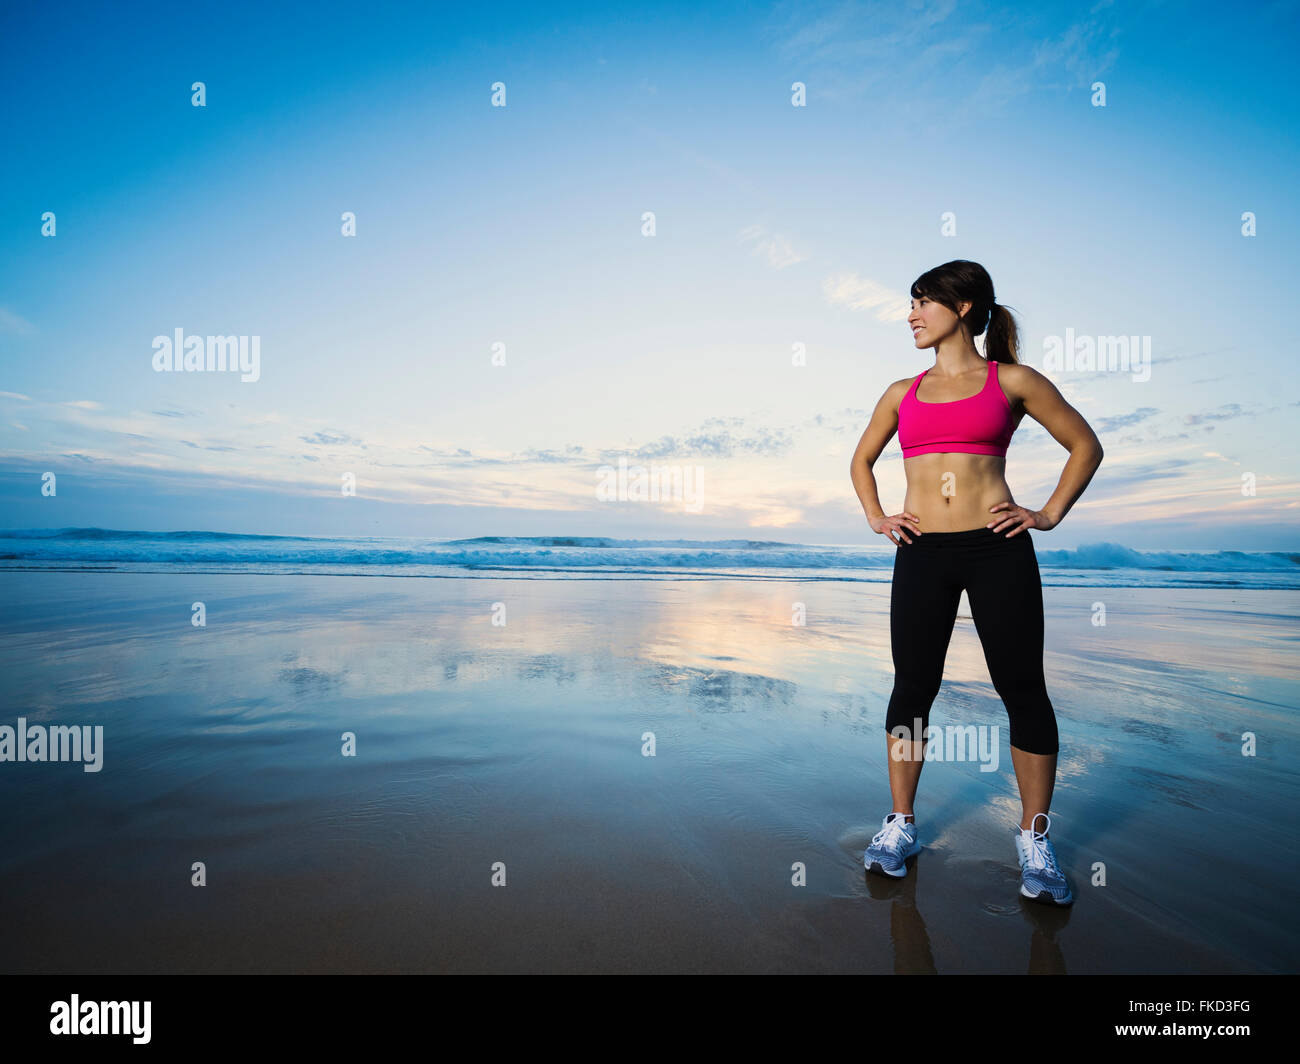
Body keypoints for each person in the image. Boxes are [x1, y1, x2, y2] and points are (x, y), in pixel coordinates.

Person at [848, 260, 1103, 906]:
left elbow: (1085, 445)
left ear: (962, 308)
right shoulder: (900, 392)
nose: (911, 315)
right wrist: (879, 517)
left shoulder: (1011, 380)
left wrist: (1044, 514)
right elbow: (861, 459)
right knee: (913, 687)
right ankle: (901, 824)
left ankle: (1035, 839)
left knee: (1021, 687)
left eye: (922, 302)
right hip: (922, 550)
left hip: (998, 549)